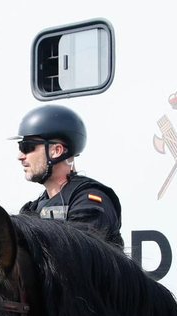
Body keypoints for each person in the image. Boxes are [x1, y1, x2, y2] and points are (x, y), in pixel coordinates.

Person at [12, 104, 122, 247]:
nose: (20, 156)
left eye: (27, 147)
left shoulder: (89, 202)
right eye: (20, 147)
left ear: (57, 151)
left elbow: (78, 258)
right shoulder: (33, 208)